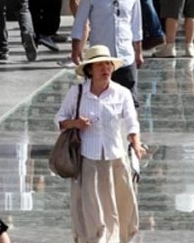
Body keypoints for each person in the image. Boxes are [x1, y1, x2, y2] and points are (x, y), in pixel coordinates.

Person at [55, 44, 146, 243]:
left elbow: (132, 121)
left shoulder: (122, 93)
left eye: (108, 64)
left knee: (120, 205)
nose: (105, 69)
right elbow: (59, 120)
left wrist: (136, 143)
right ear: (90, 70)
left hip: (116, 158)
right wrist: (76, 123)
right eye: (99, 65)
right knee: (93, 209)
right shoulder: (77, 92)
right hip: (89, 159)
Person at [71, 0, 143, 104]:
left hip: (125, 57)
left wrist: (139, 52)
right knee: (97, 102)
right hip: (100, 58)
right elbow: (80, 22)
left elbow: (136, 25)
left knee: (129, 103)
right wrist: (76, 49)